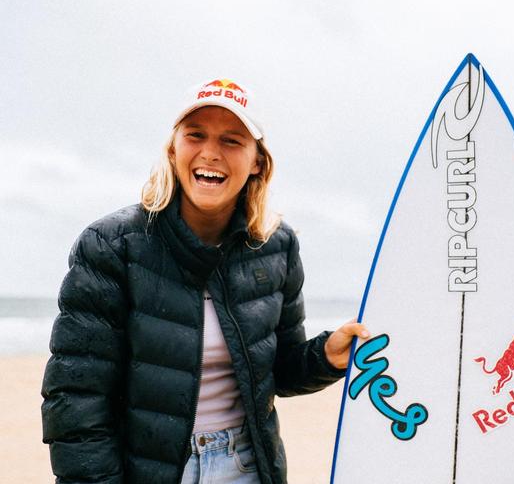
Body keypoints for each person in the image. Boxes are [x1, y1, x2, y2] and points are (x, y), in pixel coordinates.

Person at [40, 77, 369, 484]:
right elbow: (75, 398)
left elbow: (277, 370)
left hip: (247, 466)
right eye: (195, 135)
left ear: (257, 162)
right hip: (146, 471)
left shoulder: (275, 245)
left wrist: (325, 357)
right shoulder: (111, 246)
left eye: (232, 141)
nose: (210, 153)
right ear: (173, 150)